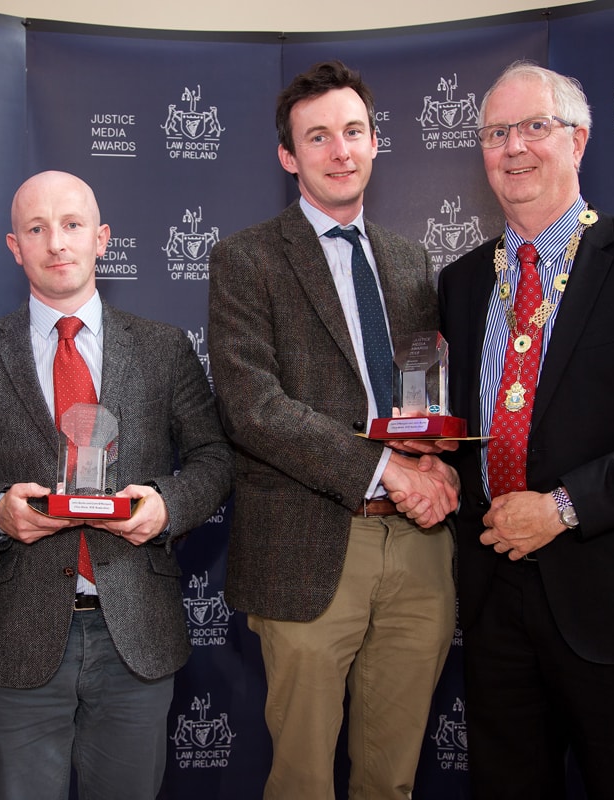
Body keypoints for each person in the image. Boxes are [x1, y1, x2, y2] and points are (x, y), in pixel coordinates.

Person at [438, 60, 614, 800]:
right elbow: (464, 429)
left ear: (579, 140)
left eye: (535, 126)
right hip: (496, 601)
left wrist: (562, 507)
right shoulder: (460, 283)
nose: (515, 147)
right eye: (497, 132)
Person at [0, 170, 233, 799]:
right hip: (12, 639)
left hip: (136, 634)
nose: (56, 243)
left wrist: (167, 507)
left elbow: (214, 458)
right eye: (36, 229)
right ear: (14, 246)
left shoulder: (163, 348)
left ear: (101, 239)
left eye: (71, 225)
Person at [207, 60, 459, 800]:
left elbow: (421, 396)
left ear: (377, 142)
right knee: (303, 782)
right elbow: (253, 406)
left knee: (393, 778)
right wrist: (388, 472)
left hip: (419, 551)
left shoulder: (412, 261)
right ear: (289, 157)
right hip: (310, 548)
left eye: (354, 131)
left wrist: (438, 465)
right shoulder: (245, 258)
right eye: (318, 137)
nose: (340, 150)